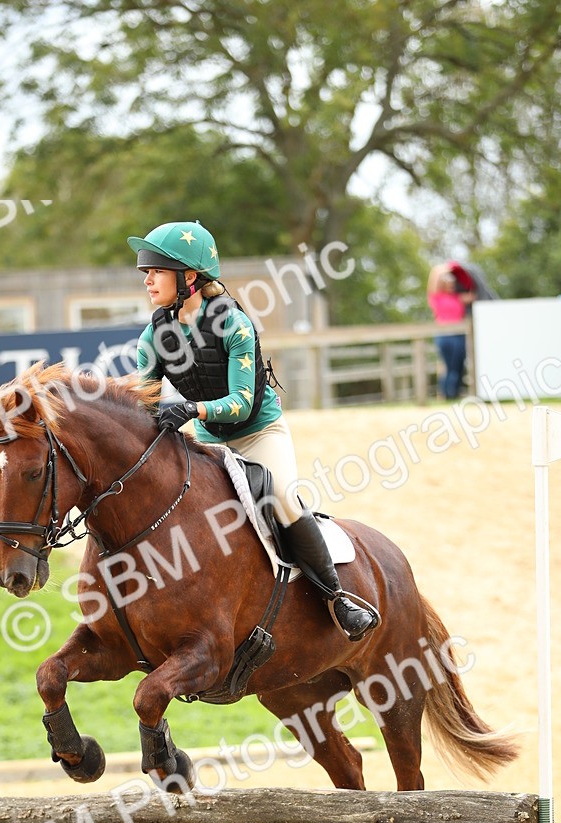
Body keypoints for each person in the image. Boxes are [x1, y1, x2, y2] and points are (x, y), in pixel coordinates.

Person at [127, 220, 379, 641]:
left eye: (157, 271)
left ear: (189, 277)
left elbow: (241, 402)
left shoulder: (234, 325)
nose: (148, 280)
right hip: (209, 440)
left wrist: (190, 408)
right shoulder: (154, 337)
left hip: (258, 432)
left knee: (282, 498)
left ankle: (336, 598)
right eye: (145, 273)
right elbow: (144, 403)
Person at [427, 264, 475, 400]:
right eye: (448, 283)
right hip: (444, 335)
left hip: (459, 334)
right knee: (449, 366)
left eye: (453, 283)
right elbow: (434, 276)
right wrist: (448, 266)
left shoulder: (458, 298)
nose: (451, 286)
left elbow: (474, 293)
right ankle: (447, 394)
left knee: (458, 365)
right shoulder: (437, 297)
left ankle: (454, 392)